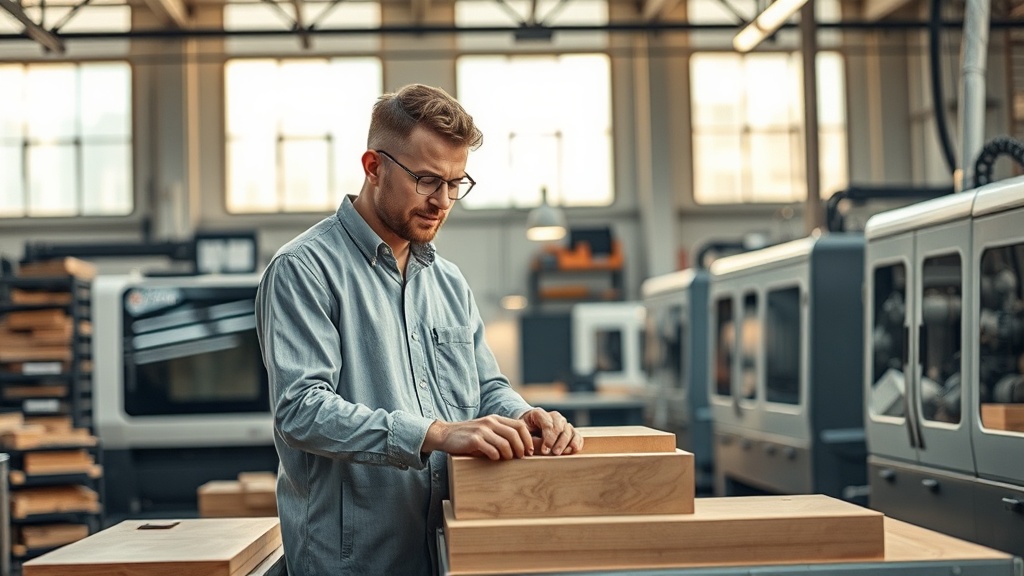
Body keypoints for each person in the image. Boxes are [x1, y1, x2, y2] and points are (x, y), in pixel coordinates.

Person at [255, 83, 583, 576]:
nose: (443, 201)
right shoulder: (304, 269)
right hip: (354, 562)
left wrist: (526, 417)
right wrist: (434, 433)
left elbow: (486, 388)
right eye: (427, 180)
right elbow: (301, 411)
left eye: (456, 183)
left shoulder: (447, 281)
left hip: (447, 551)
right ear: (373, 167)